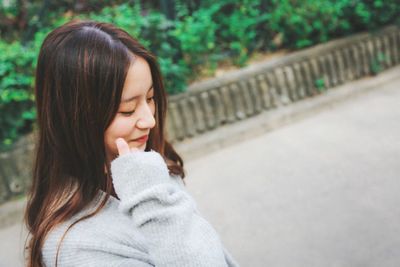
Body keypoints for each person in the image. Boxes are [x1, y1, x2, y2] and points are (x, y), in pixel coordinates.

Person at [24, 20, 239, 267]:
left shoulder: (144, 162)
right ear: (77, 119)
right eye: (127, 110)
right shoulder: (76, 246)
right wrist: (152, 200)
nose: (149, 120)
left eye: (151, 98)